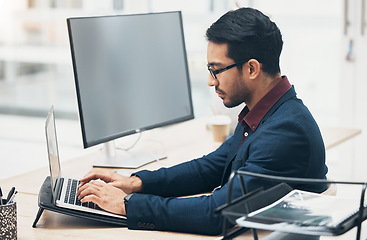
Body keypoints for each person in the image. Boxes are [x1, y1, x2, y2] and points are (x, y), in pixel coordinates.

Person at [77, 7, 328, 236]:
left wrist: (125, 205)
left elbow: (216, 213)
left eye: (216, 70)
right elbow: (211, 167)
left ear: (252, 69)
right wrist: (137, 183)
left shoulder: (284, 132)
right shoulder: (266, 113)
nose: (211, 81)